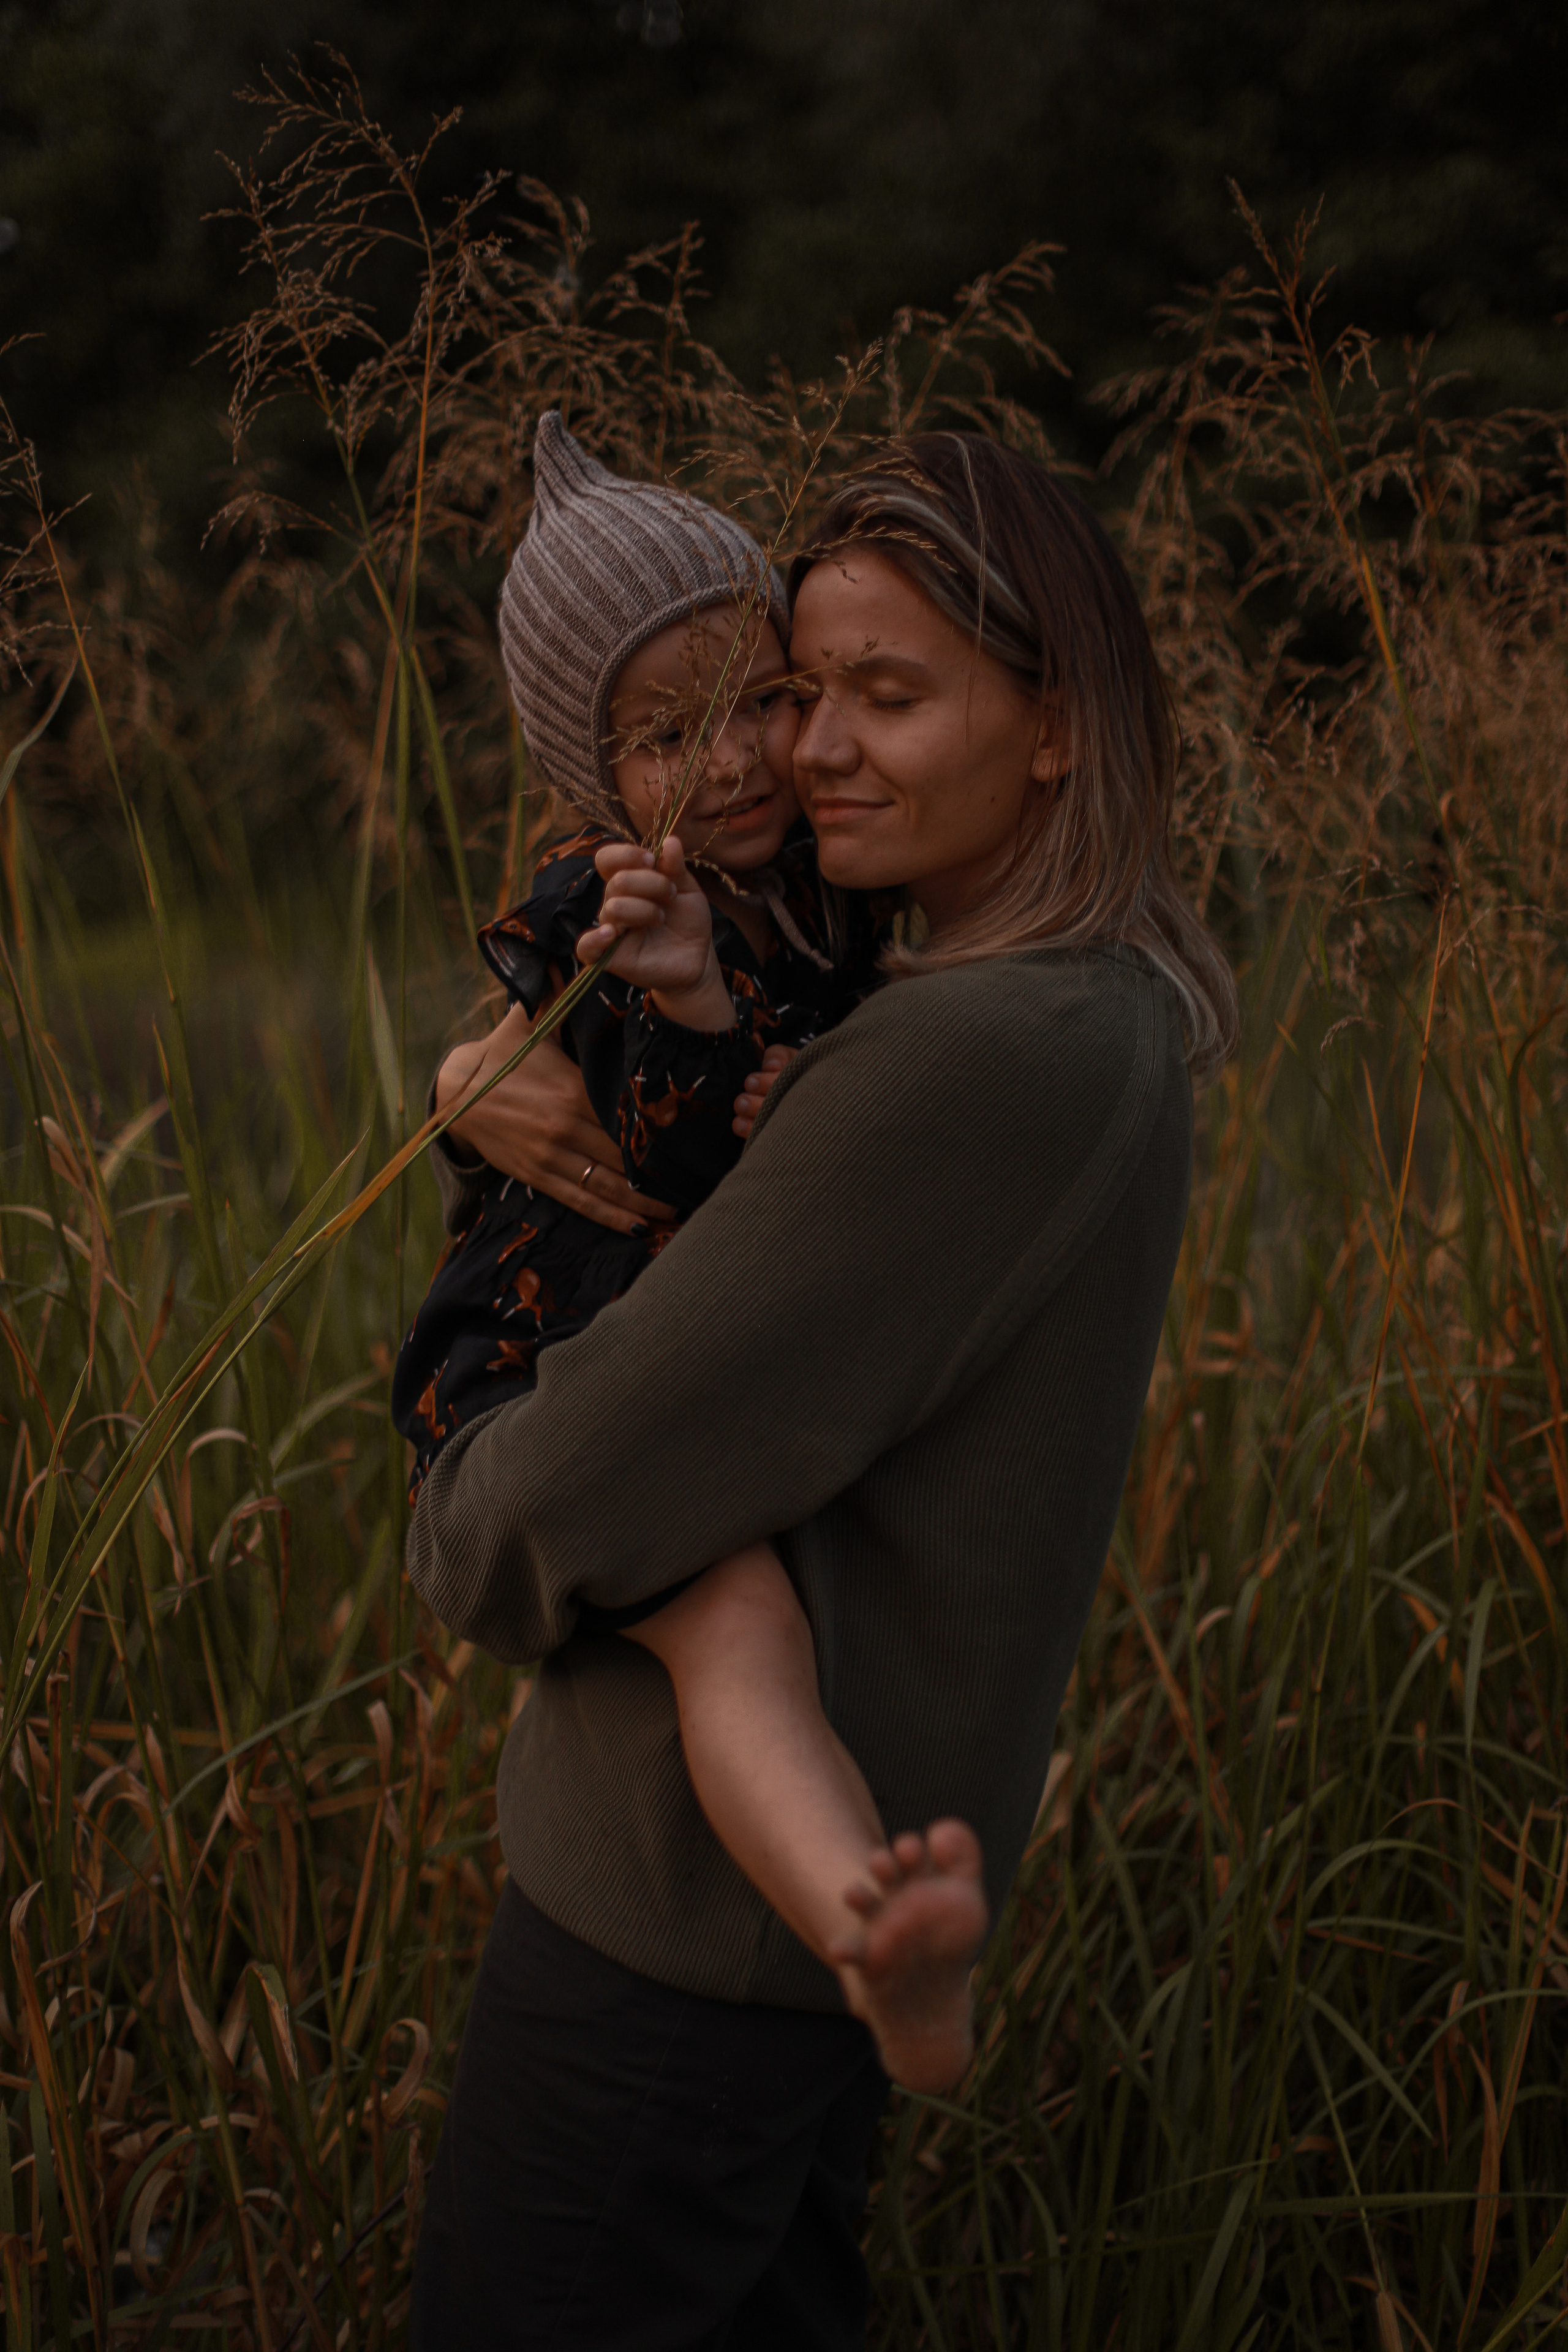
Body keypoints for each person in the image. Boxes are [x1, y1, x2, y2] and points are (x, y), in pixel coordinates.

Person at [407, 430, 1238, 2350]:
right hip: (746, 1994)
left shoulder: (972, 1049)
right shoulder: (1013, 1004)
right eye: (808, 689)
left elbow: (532, 1509)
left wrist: (464, 1505)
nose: (812, 749)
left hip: (669, 1983)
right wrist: (472, 1081)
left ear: (1057, 728)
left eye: (885, 695)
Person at [396, 411, 990, 2095]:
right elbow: (656, 1173)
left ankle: (878, 1935)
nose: (731, 760)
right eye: (665, 738)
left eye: (756, 699)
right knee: (735, 1630)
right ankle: (868, 1938)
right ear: (597, 779)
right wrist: (690, 1004)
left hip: (695, 1375)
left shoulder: (825, 881)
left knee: (774, 1618)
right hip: (535, 1373)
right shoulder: (620, 913)